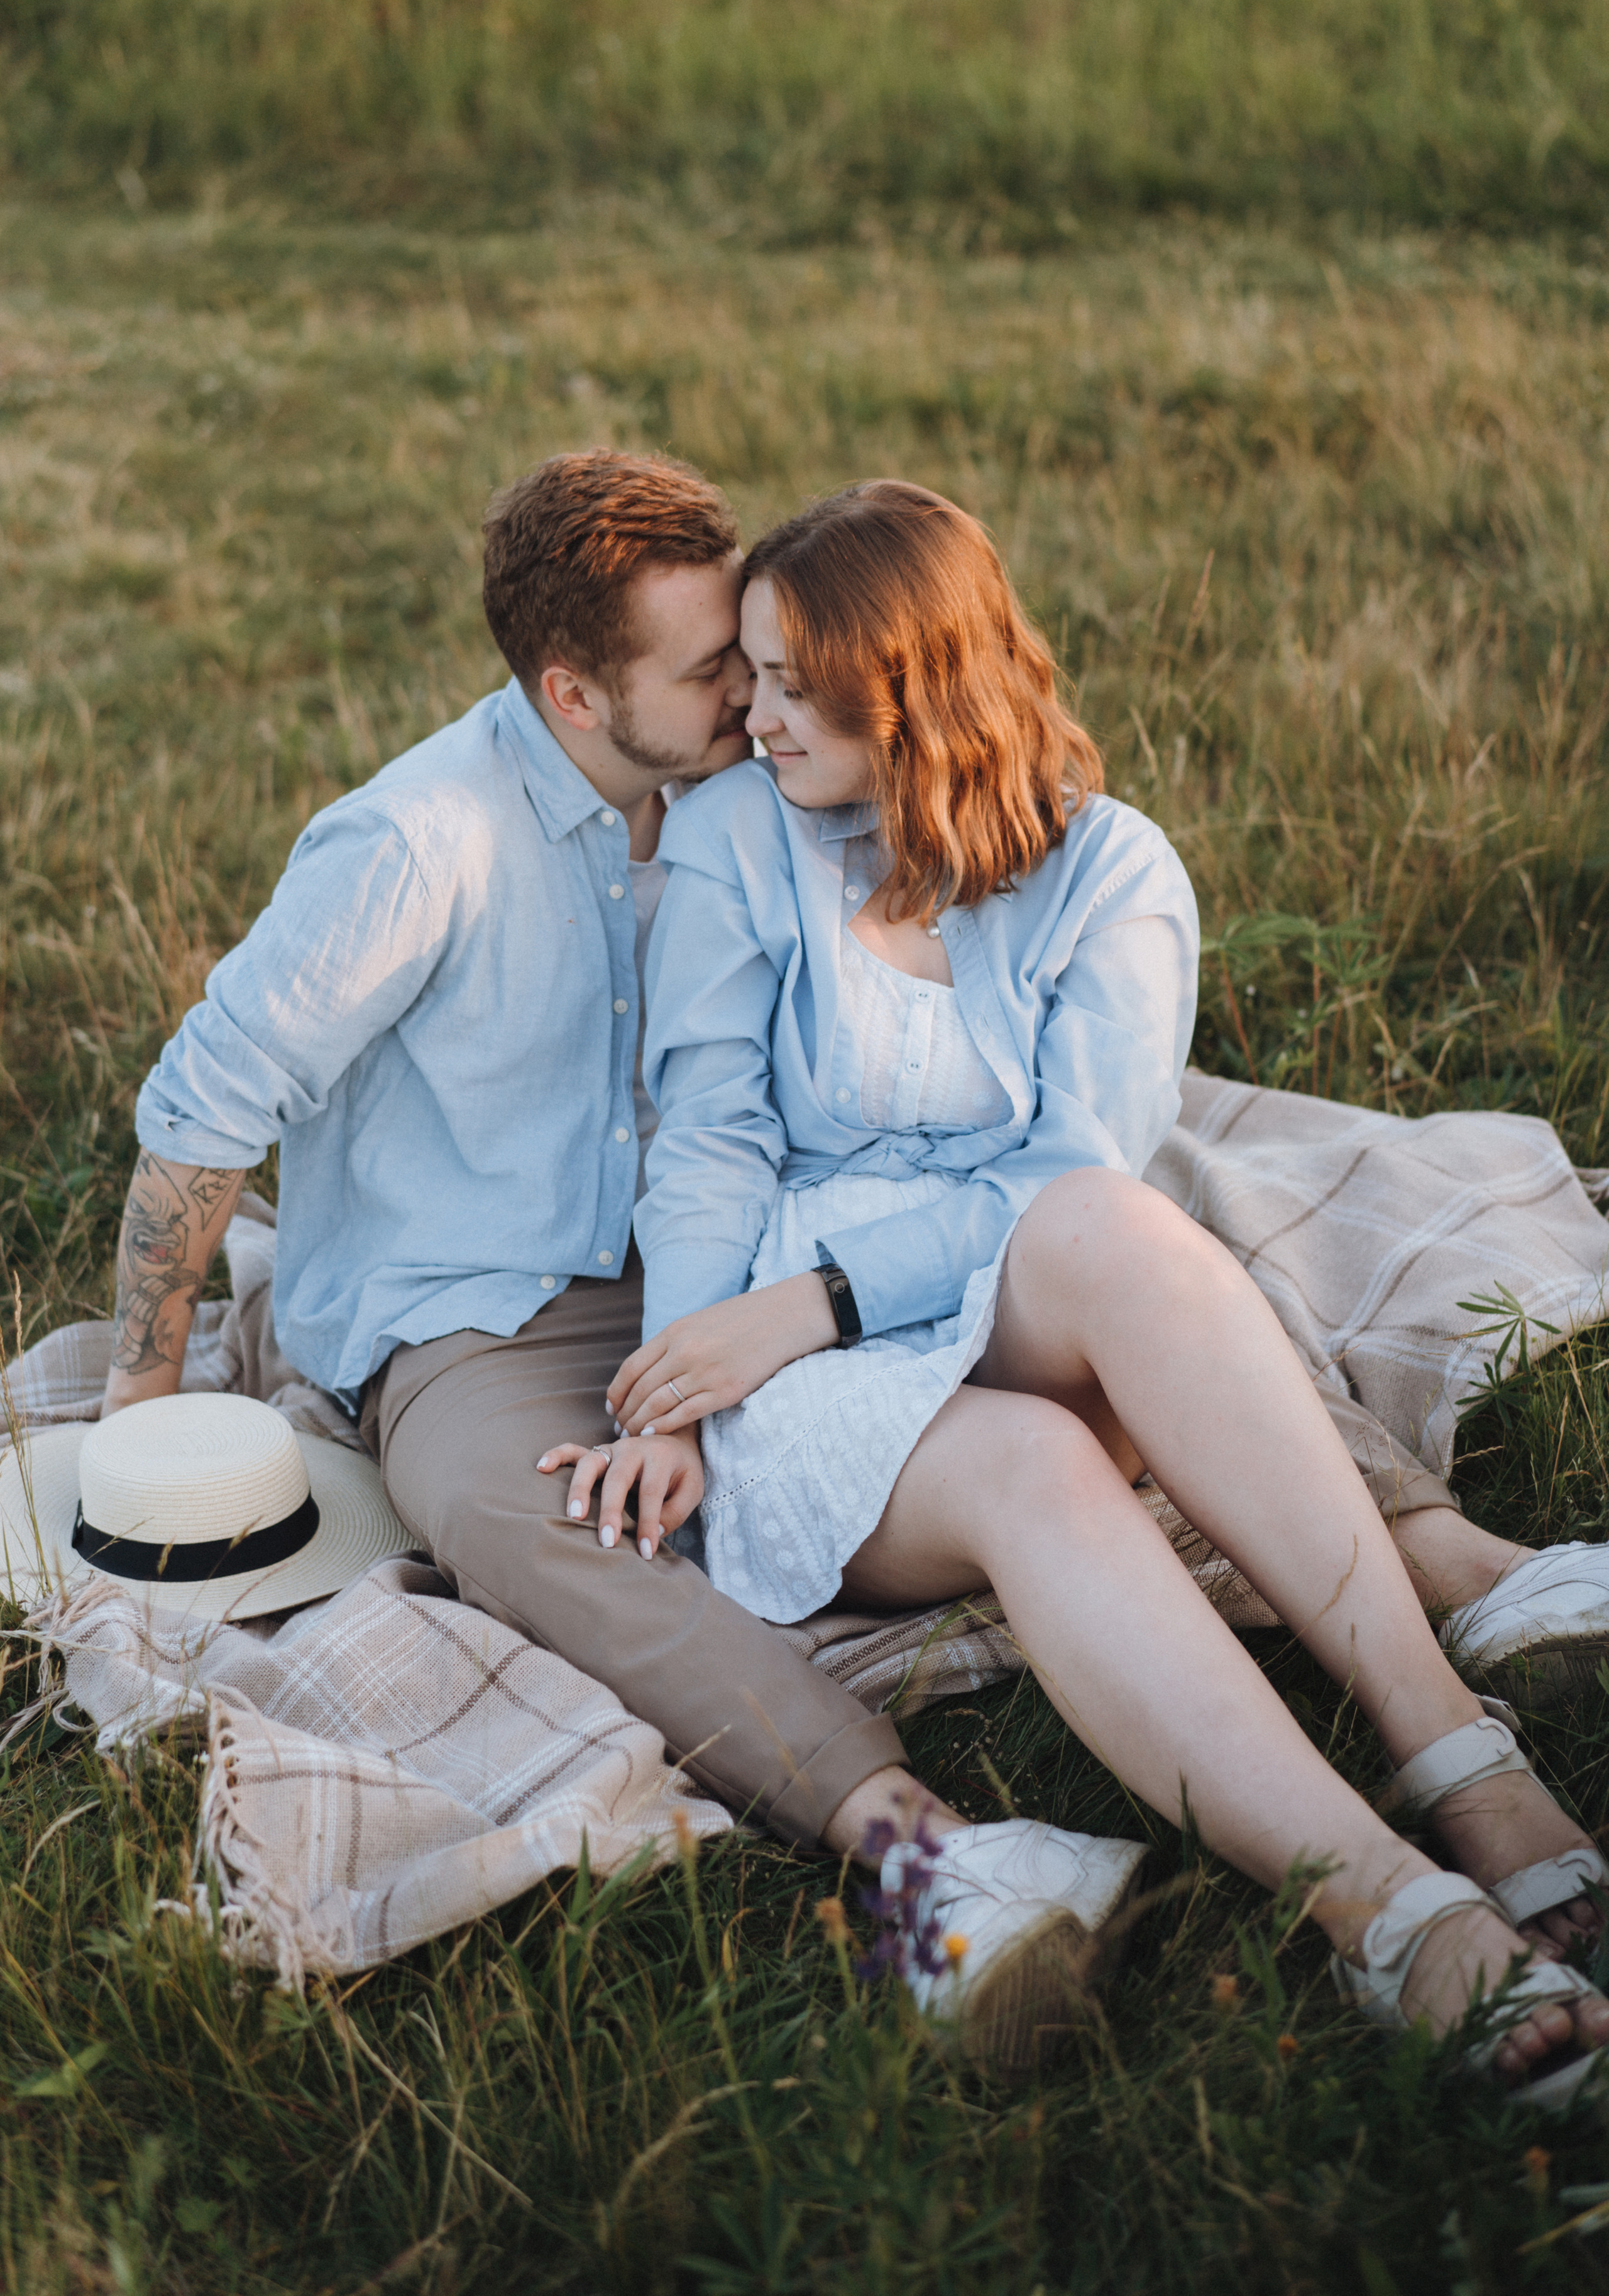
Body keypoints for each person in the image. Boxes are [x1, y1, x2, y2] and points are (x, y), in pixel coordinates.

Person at [546, 479, 1609, 2102]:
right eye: (745, 675)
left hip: (995, 1295)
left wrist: (829, 1293)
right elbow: (709, 1130)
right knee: (1037, 1455)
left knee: (1110, 1216)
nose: (748, 719)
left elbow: (1069, 1170)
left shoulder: (1109, 872)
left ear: (908, 689)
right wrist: (704, 1363)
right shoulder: (735, 838)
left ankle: (1450, 1743)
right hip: (823, 1368)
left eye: (788, 685)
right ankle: (1387, 1912)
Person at [100, 451, 1155, 2072]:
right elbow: (200, 1112)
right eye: (716, 668)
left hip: (732, 1251)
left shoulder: (749, 798)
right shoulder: (412, 845)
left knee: (1111, 1282)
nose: (758, 687)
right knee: (520, 1520)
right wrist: (139, 1417)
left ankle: (1445, 1572)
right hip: (478, 1317)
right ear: (574, 692)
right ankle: (913, 1853)